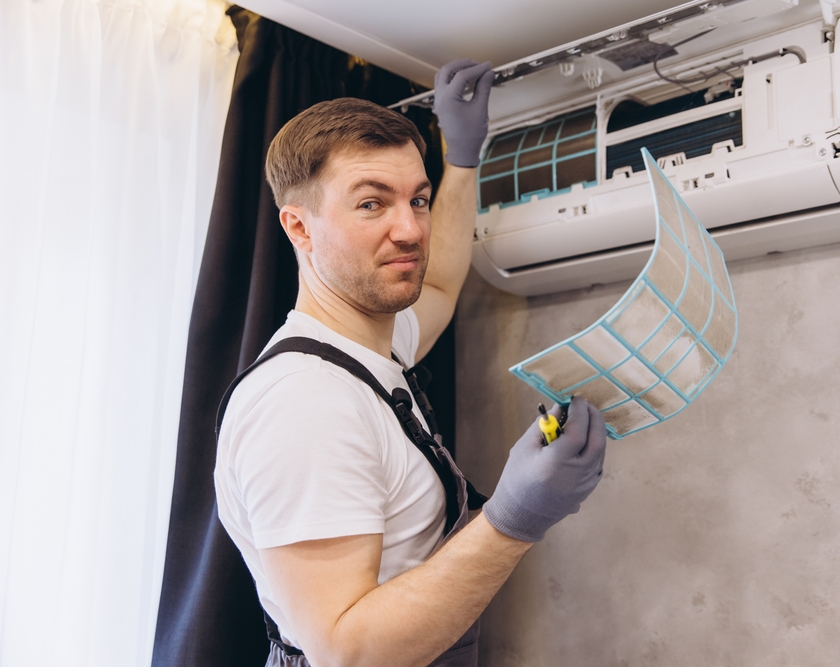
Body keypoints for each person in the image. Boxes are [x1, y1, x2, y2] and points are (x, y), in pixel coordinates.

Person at [214, 60, 607, 667]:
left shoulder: (372, 346)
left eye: (417, 200)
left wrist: (462, 159)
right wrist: (514, 518)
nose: (410, 230)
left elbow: (443, 283)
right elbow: (346, 651)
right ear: (299, 227)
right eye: (372, 204)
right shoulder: (306, 403)